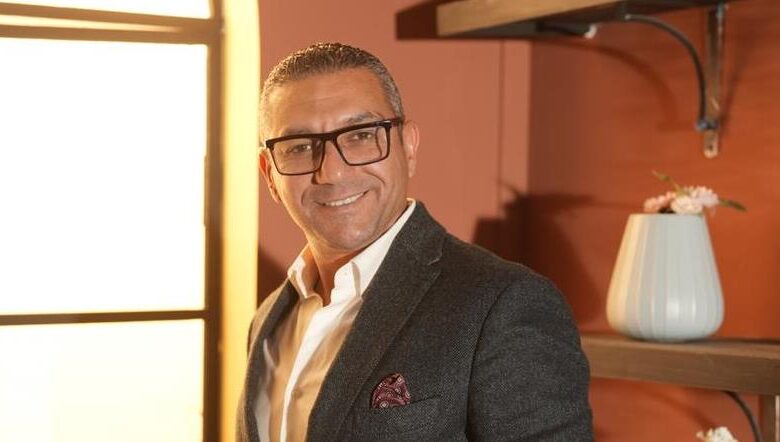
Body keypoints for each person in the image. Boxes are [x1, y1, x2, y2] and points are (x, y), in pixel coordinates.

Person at [237, 42, 593, 442]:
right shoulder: (267, 320)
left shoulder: (503, 304)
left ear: (408, 147)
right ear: (269, 174)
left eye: (360, 136)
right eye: (300, 147)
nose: (332, 172)